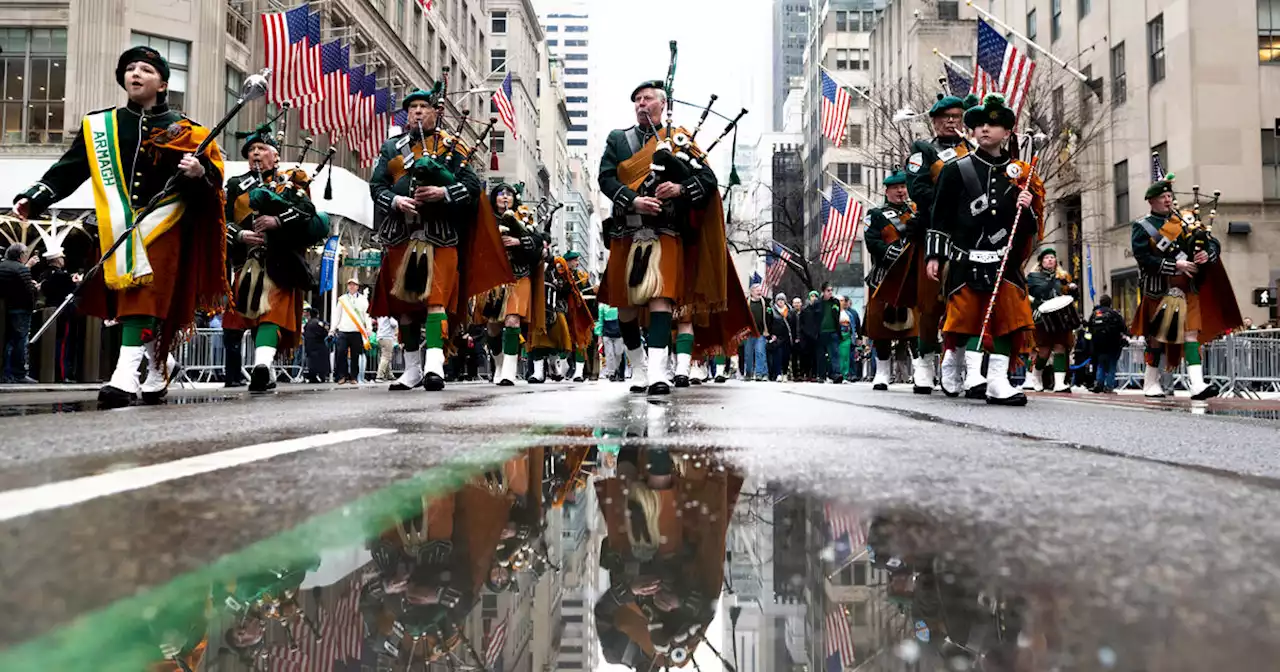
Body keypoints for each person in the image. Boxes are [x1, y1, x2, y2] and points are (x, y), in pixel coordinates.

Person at [13, 46, 226, 407]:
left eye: (146, 69)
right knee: (131, 298)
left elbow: (213, 189)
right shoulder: (101, 125)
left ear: (162, 83)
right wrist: (36, 196)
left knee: (142, 296)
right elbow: (71, 168)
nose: (136, 74)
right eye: (130, 69)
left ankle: (124, 377)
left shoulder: (191, 132)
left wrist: (199, 173)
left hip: (166, 223)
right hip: (120, 223)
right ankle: (160, 366)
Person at [597, 79, 753, 393]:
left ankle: (657, 373)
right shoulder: (619, 139)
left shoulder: (680, 139)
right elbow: (605, 178)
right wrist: (632, 199)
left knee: (661, 299)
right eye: (637, 99)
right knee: (625, 308)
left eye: (647, 98)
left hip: (666, 231)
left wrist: (680, 189)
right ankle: (639, 369)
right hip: (627, 230)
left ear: (663, 104)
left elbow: (707, 179)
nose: (641, 103)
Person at [370, 84, 513, 392]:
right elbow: (377, 187)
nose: (417, 112)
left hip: (441, 237)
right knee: (405, 309)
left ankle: (434, 365)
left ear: (435, 112)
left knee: (436, 301)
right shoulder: (392, 148)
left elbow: (473, 186)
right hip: (402, 235)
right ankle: (411, 370)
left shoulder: (453, 145)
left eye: (423, 107)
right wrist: (396, 202)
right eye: (412, 108)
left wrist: (443, 192)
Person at [926, 93, 1043, 406]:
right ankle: (951, 363)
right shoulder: (956, 169)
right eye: (978, 125)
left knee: (1010, 319)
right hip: (966, 259)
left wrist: (1027, 206)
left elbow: (1028, 228)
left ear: (1007, 132)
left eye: (993, 124)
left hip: (1003, 261)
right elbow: (941, 216)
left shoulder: (1020, 173)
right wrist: (935, 255)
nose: (985, 129)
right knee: (962, 321)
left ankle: (997, 381)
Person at [222, 123, 327, 393]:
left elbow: (307, 215)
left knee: (271, 314)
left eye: (262, 148)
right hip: (247, 263)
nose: (255, 153)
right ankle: (263, 367)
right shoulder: (235, 185)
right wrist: (242, 234)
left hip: (281, 261)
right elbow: (221, 223)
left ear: (275, 155)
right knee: (253, 317)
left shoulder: (293, 181)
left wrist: (278, 221)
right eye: (251, 150)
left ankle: (261, 365)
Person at [1129, 174, 1242, 399]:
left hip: (1187, 287)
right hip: (1159, 289)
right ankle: (1151, 382)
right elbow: (1143, 259)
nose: (1168, 200)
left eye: (1170, 195)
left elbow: (1212, 243)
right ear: (1151, 201)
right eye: (1163, 197)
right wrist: (1175, 265)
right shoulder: (1142, 227)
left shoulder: (1184, 220)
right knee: (1157, 339)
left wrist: (1205, 254)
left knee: (1191, 334)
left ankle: (1197, 384)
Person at [906, 93, 976, 398]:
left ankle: (959, 360)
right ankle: (924, 362)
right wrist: (947, 201)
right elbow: (916, 187)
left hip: (967, 235)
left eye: (957, 117)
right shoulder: (924, 151)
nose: (951, 122)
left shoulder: (972, 150)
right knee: (930, 302)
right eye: (945, 118)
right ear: (934, 121)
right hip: (932, 232)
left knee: (964, 300)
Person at [862, 170, 925, 391]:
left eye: (903, 187)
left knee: (915, 328)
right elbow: (872, 242)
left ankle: (921, 371)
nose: (901, 191)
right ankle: (882, 372)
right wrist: (893, 253)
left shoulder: (916, 211)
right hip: (884, 276)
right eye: (896, 188)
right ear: (887, 190)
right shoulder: (876, 214)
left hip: (911, 276)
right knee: (880, 329)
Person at [482, 183, 542, 385]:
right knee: (492, 327)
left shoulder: (524, 217)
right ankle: (499, 364)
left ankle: (509, 370)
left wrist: (518, 242)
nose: (505, 197)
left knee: (512, 320)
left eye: (509, 193)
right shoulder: (485, 218)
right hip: (494, 278)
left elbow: (538, 242)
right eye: (500, 193)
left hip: (519, 275)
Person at [1024, 248, 1079, 393]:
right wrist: (1036, 304)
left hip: (1061, 318)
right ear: (1041, 262)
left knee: (1060, 347)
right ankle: (1035, 375)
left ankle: (1059, 383)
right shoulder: (1033, 277)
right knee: (1043, 351)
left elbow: (1071, 297)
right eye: (1047, 258)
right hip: (1042, 318)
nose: (1050, 260)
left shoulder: (1063, 277)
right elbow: (1024, 294)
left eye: (1052, 258)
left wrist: (1073, 289)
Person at [36, 240, 81, 383]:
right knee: (61, 345)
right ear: (57, 260)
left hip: (45, 312)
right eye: (61, 257)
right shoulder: (61, 275)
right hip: (60, 312)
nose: (63, 260)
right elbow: (72, 291)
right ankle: (60, 374)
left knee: (46, 344)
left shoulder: (43, 274)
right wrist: (76, 282)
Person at [1, 243, 38, 384]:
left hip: (5, 310)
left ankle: (5, 373)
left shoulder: (1, 266)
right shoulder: (21, 269)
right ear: (21, 255)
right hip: (20, 309)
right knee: (20, 341)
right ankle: (19, 373)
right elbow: (29, 292)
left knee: (6, 342)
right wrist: (35, 289)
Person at [566, 250, 597, 381]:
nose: (577, 263)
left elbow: (589, 294)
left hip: (579, 312)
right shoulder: (561, 275)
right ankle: (568, 368)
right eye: (574, 260)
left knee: (584, 342)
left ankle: (587, 372)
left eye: (577, 260)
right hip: (565, 310)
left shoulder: (582, 277)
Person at [333, 277, 370, 384]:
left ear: (357, 287)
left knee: (355, 355)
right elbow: (337, 315)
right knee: (341, 354)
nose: (351, 286)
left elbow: (366, 315)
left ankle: (354, 377)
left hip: (356, 331)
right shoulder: (342, 299)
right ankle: (342, 376)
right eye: (350, 284)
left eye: (354, 285)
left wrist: (369, 328)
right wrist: (333, 329)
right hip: (343, 330)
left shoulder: (363, 299)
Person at [813, 283, 843, 383]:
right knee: (821, 354)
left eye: (831, 290)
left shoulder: (835, 302)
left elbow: (837, 315)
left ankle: (836, 373)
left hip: (833, 330)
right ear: (823, 292)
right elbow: (814, 318)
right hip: (821, 332)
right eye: (828, 291)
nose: (830, 293)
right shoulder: (818, 303)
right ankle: (821, 375)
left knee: (834, 353)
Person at [743, 283, 769, 381]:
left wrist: (769, 331)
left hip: (761, 332)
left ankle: (760, 373)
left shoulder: (765, 302)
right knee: (748, 354)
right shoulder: (746, 302)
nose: (759, 292)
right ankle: (749, 373)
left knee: (760, 352)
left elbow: (769, 317)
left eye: (760, 290)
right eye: (757, 290)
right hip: (748, 333)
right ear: (752, 292)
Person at [301, 306, 330, 383]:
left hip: (309, 345)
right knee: (322, 361)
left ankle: (312, 376)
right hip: (319, 344)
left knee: (311, 361)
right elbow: (323, 333)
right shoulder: (318, 323)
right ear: (317, 315)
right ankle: (322, 375)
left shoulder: (308, 324)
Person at [767, 293, 791, 381]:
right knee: (777, 356)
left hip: (787, 337)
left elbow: (793, 324)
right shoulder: (772, 311)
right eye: (779, 300)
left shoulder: (789, 311)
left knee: (786, 356)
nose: (780, 302)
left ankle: (785, 373)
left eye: (782, 300)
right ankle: (778, 373)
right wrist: (771, 335)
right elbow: (769, 323)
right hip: (777, 337)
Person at [599, 302, 625, 381]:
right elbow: (600, 321)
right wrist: (599, 335)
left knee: (619, 353)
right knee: (609, 354)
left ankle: (617, 369)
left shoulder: (619, 303)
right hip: (607, 333)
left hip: (619, 332)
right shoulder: (602, 306)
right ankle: (611, 373)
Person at [375, 316, 399, 382]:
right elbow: (394, 324)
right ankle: (379, 376)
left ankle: (389, 375)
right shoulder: (389, 315)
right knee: (386, 357)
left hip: (380, 337)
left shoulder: (380, 314)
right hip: (387, 337)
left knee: (386, 356)